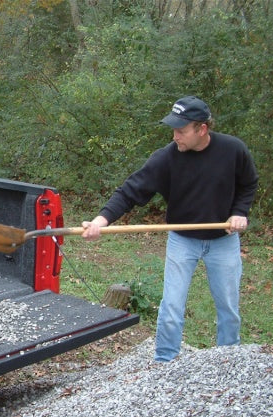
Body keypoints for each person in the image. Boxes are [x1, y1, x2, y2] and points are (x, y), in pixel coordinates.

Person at [82, 95, 258, 362]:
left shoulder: (233, 150)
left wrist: (239, 212)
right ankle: (165, 361)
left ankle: (228, 360)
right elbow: (130, 191)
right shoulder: (166, 158)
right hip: (182, 240)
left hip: (224, 240)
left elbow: (248, 184)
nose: (176, 136)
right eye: (173, 130)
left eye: (181, 130)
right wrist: (100, 221)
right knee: (172, 305)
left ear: (202, 129)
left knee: (228, 308)